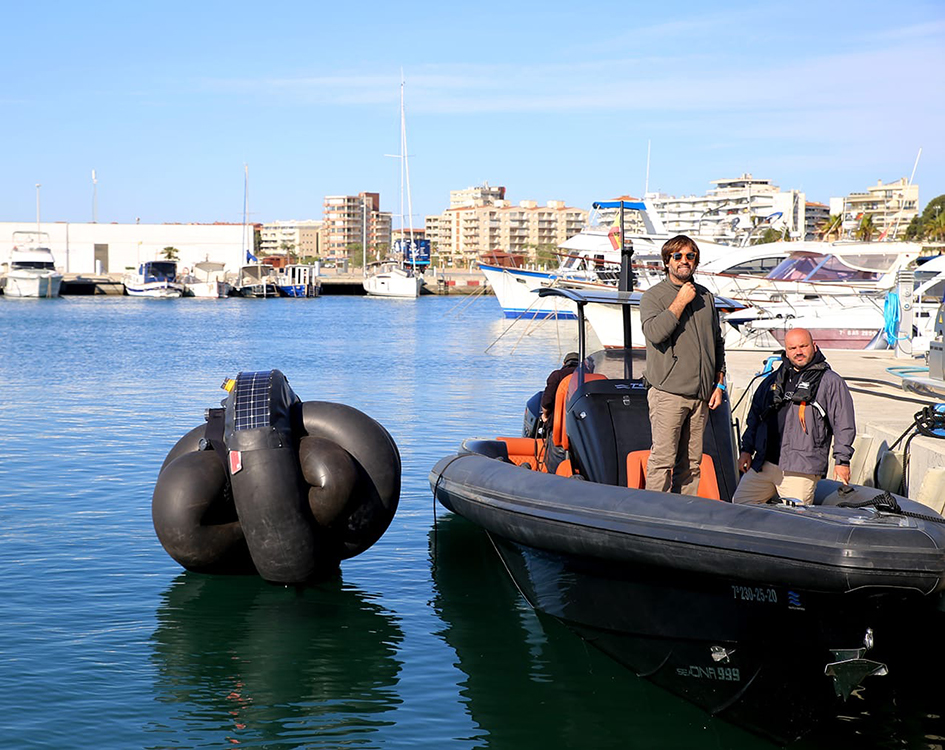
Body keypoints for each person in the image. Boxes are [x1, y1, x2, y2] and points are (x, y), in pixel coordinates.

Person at [640, 235, 726, 494]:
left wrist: (719, 383)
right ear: (667, 262)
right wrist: (679, 302)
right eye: (678, 257)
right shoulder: (653, 297)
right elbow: (655, 333)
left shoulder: (706, 297)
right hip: (668, 393)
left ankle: (684, 514)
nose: (684, 261)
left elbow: (717, 342)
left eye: (690, 256)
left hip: (701, 395)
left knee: (692, 464)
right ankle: (654, 514)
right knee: (663, 461)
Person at [733, 327, 855, 506]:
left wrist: (842, 461)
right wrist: (746, 450)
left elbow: (844, 424)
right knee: (739, 505)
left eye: (803, 346)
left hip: (801, 468)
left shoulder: (831, 382)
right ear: (786, 351)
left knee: (796, 521)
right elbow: (755, 416)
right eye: (792, 348)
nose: (798, 352)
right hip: (764, 464)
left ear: (814, 346)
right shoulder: (772, 380)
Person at [540, 351, 581, 429]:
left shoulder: (557, 375)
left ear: (564, 363)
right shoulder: (588, 376)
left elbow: (546, 403)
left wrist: (545, 416)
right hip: (583, 425)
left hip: (559, 425)